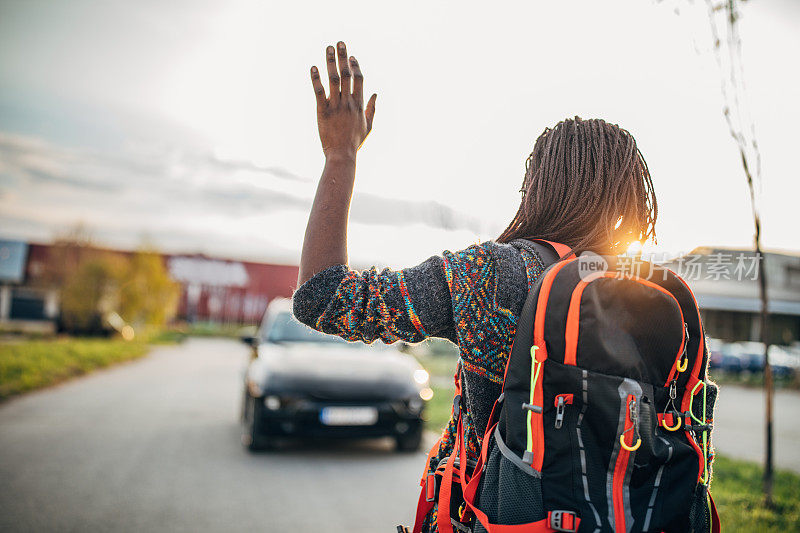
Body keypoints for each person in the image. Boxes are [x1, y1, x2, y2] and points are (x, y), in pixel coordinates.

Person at [292, 41, 658, 532]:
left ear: (540, 185)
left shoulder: (492, 275)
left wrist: (341, 156)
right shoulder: (645, 294)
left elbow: (325, 297)